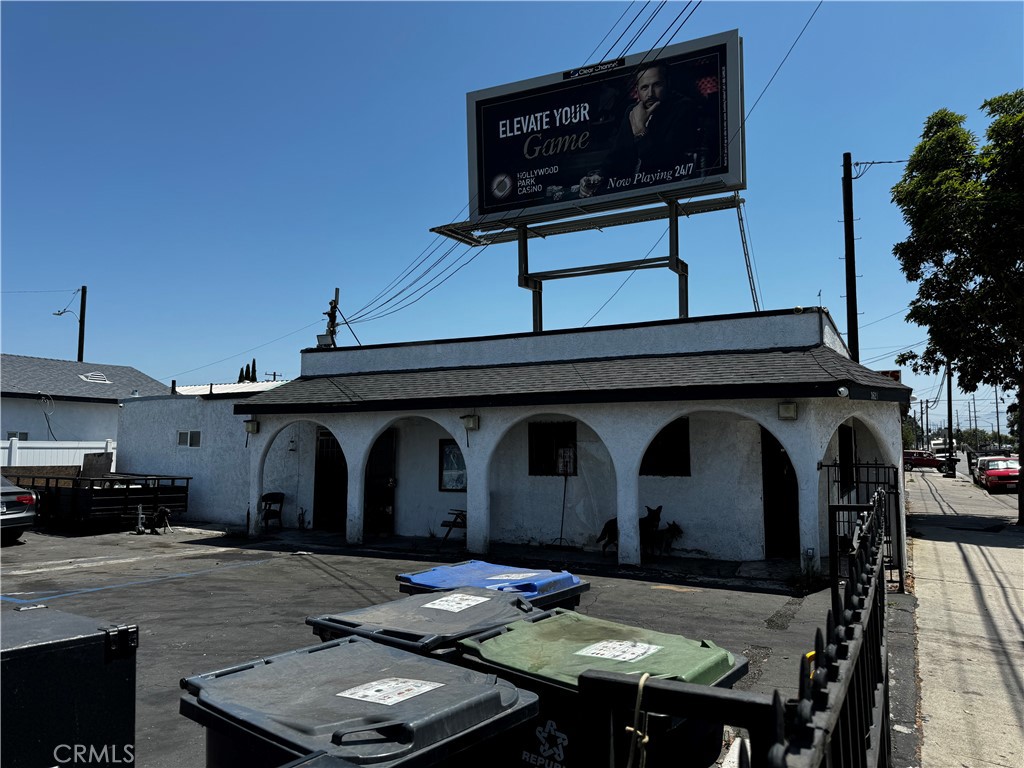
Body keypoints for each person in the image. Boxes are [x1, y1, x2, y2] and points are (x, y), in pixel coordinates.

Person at [580, 63, 705, 197]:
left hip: (665, 189)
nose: (650, 93)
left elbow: (664, 163)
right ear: (637, 91)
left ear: (667, 84)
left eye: (657, 85)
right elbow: (617, 155)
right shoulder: (632, 111)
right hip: (630, 192)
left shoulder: (684, 107)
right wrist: (598, 176)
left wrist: (640, 131)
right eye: (644, 87)